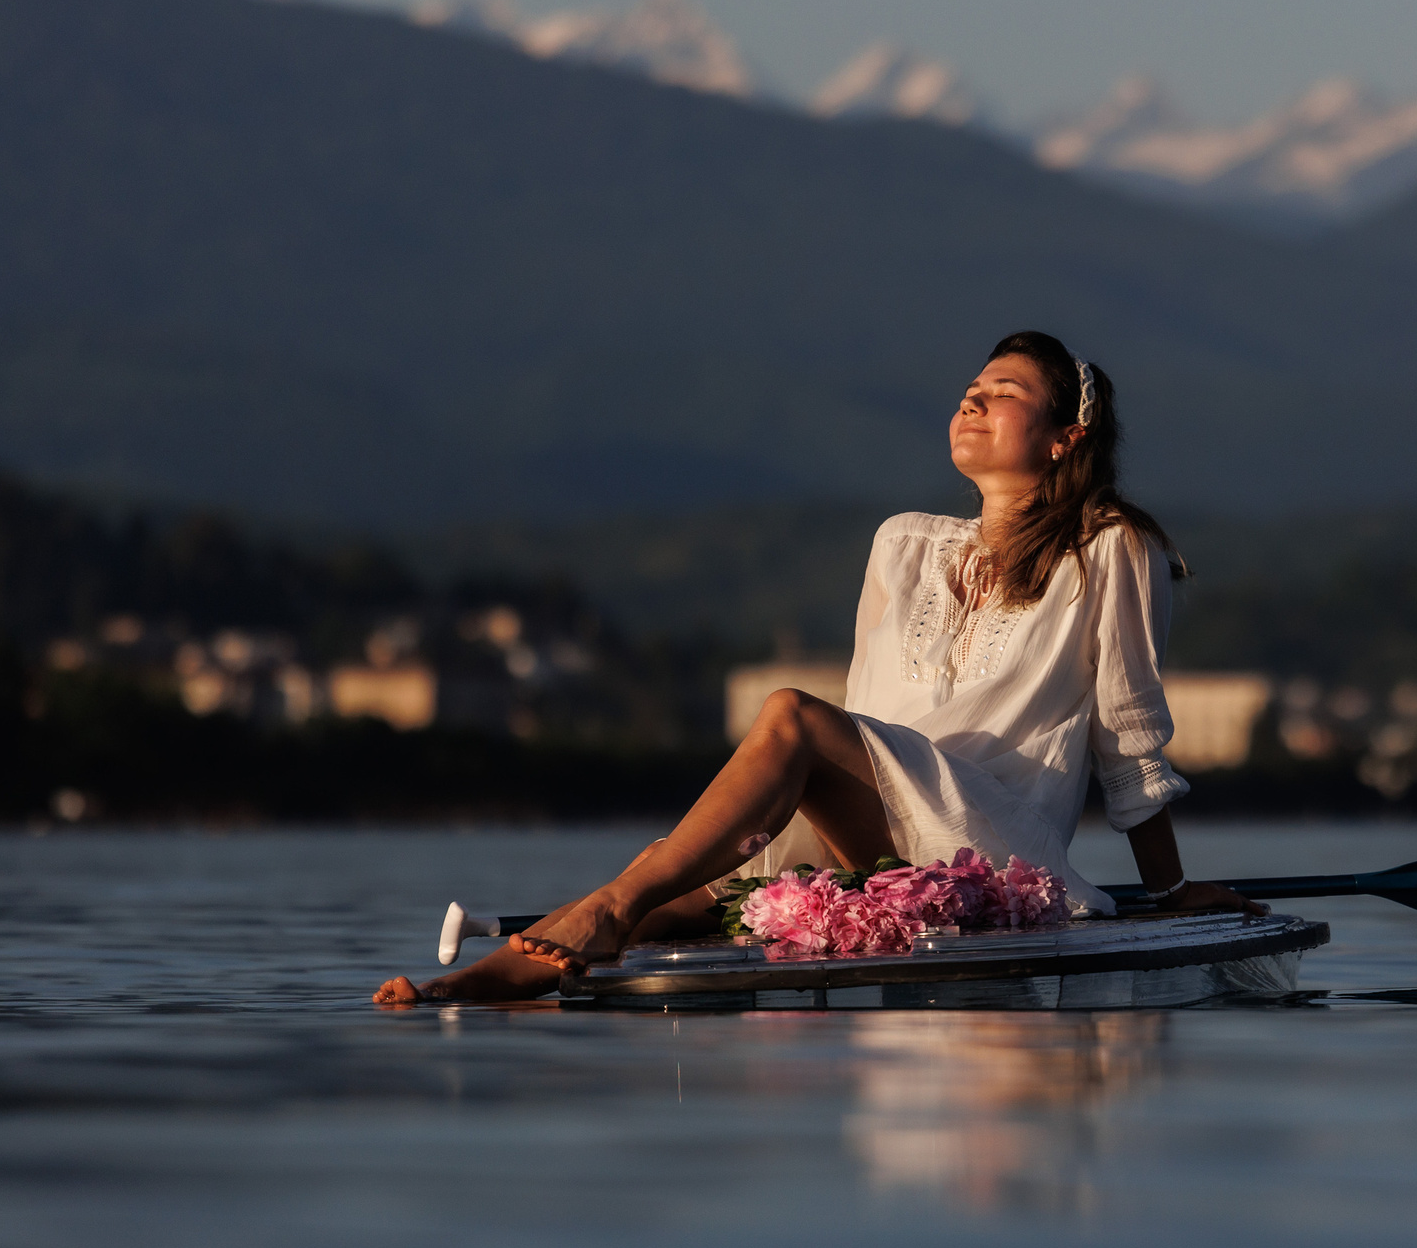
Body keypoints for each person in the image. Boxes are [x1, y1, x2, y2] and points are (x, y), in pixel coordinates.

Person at [375, 330, 1262, 1004]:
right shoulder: (903, 546)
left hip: (997, 843)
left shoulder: (1112, 547)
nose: (973, 399)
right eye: (970, 388)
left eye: (1004, 391)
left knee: (789, 717)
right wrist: (785, 833)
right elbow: (867, 711)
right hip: (881, 817)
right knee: (701, 884)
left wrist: (1171, 889)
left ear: (1066, 436)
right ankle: (482, 982)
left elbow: (1128, 734)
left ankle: (602, 911)